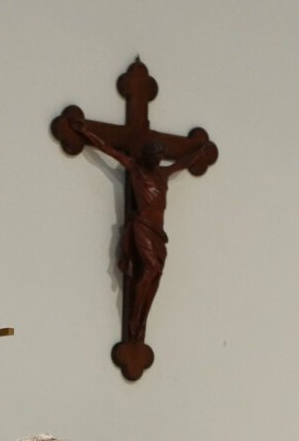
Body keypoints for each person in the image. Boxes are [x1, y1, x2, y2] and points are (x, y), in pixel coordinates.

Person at [68, 117, 216, 345]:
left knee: (156, 273)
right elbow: (107, 148)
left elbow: (184, 162)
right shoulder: (135, 169)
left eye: (160, 158)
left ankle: (142, 318)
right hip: (141, 226)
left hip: (157, 231)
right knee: (150, 268)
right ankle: (135, 318)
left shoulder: (163, 174)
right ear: (147, 156)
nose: (158, 161)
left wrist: (201, 150)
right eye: (154, 157)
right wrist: (85, 130)